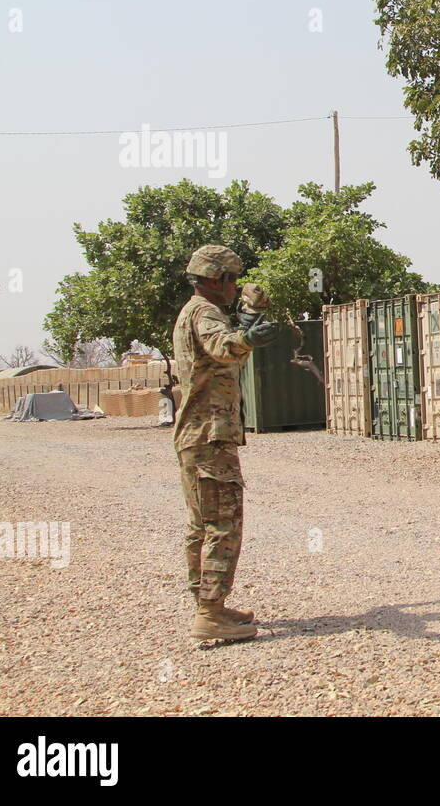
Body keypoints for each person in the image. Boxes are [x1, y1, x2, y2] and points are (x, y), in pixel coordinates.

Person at [173, 245, 278, 641]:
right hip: (209, 437)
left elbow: (223, 350)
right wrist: (248, 336)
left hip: (197, 436)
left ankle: (210, 604)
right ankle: (210, 613)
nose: (236, 287)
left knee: (202, 523)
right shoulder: (204, 312)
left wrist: (247, 322)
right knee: (222, 523)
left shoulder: (197, 312)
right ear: (218, 280)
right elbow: (222, 346)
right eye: (233, 280)